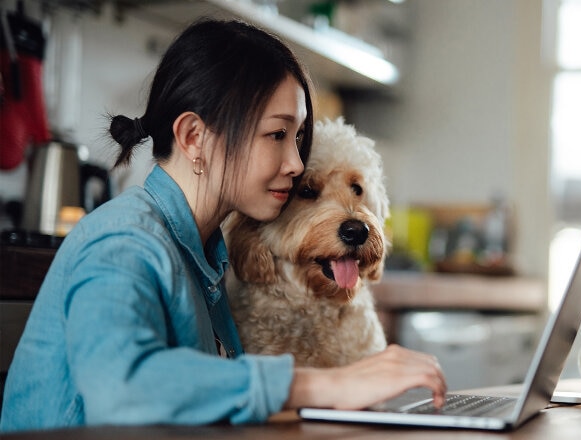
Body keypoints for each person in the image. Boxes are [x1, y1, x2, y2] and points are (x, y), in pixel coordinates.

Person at [0, 18, 446, 432]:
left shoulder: (204, 253)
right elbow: (121, 388)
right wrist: (325, 385)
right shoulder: (124, 241)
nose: (294, 163)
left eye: (298, 138)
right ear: (194, 137)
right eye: (277, 135)